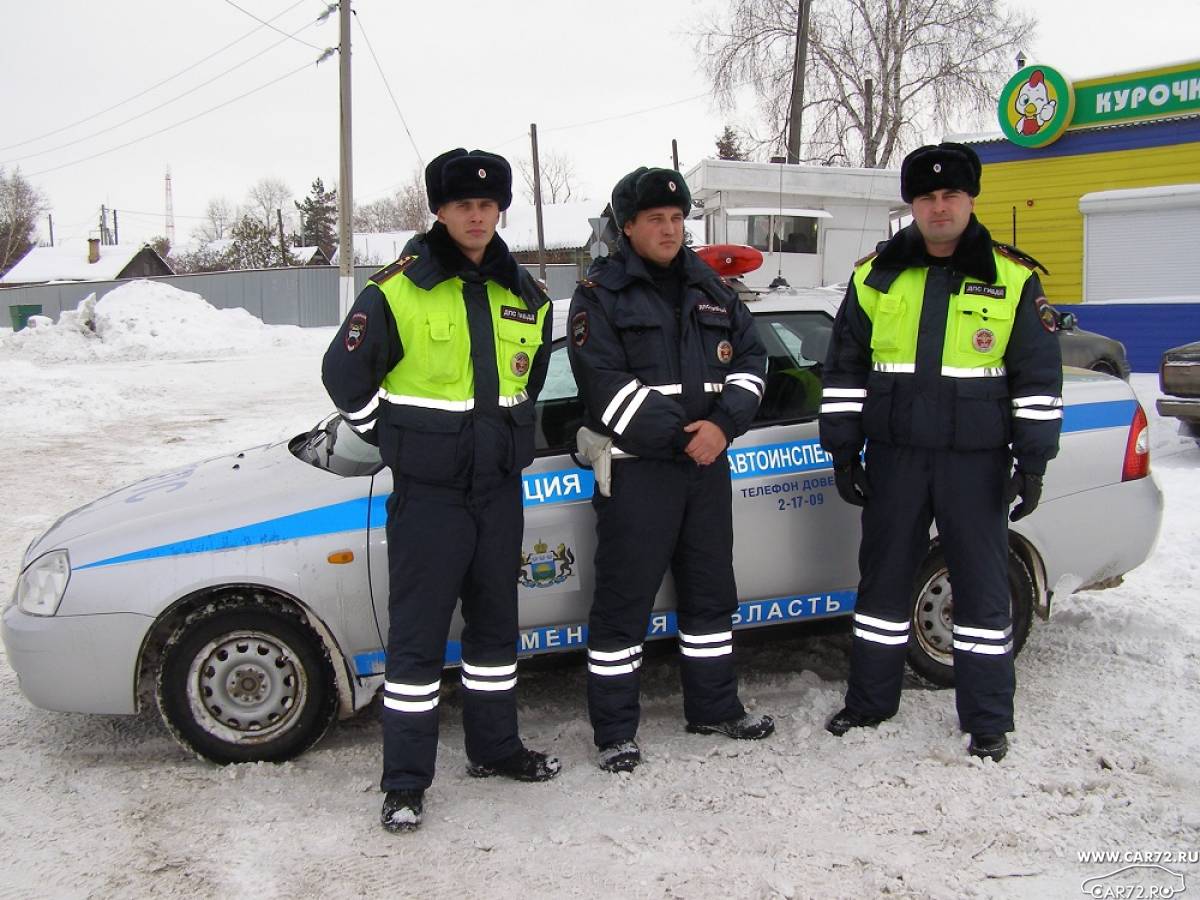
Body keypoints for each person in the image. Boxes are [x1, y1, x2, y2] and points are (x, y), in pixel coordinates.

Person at [322, 148, 560, 833]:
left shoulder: (527, 295)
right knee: (418, 646)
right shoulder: (396, 290)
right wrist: (392, 438)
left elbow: (529, 382)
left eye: (487, 205)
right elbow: (344, 378)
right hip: (429, 498)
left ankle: (494, 749)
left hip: (498, 493)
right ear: (439, 211)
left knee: (494, 631)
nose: (476, 215)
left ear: (499, 210)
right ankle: (404, 782)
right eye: (462, 205)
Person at [818, 142, 1063, 762]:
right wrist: (843, 451)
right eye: (926, 196)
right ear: (912, 205)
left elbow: (1037, 380)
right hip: (896, 457)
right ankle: (870, 701)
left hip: (974, 464)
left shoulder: (1011, 278)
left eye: (950, 194)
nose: (939, 206)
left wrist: (1031, 462)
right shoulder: (875, 276)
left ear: (970, 199)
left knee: (981, 594)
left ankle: (986, 720)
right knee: (882, 585)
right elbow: (845, 369)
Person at [567, 166, 775, 773]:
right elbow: (605, 386)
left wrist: (723, 425)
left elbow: (754, 360)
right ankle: (614, 733)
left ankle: (714, 708)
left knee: (711, 596)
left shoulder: (712, 288)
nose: (668, 229)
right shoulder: (599, 296)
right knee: (623, 604)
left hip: (707, 468)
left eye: (677, 218)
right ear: (627, 227)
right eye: (654, 219)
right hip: (639, 475)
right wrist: (688, 439)